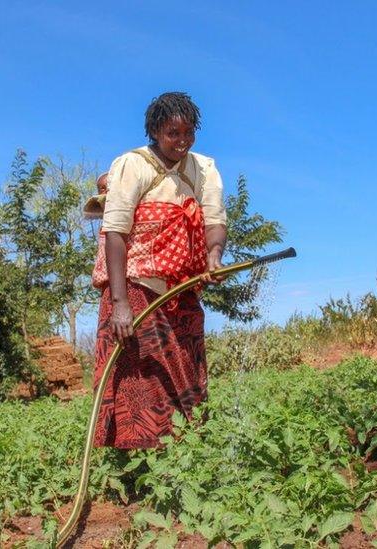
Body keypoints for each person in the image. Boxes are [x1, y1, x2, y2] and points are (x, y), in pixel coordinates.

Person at [92, 91, 227, 449]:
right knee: (141, 372)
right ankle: (139, 463)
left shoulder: (204, 168)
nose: (182, 142)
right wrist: (121, 302)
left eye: (188, 133)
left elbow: (214, 221)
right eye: (173, 134)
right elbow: (116, 233)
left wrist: (214, 254)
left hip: (181, 289)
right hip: (136, 285)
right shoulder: (131, 165)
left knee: (186, 368)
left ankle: (187, 450)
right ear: (155, 131)